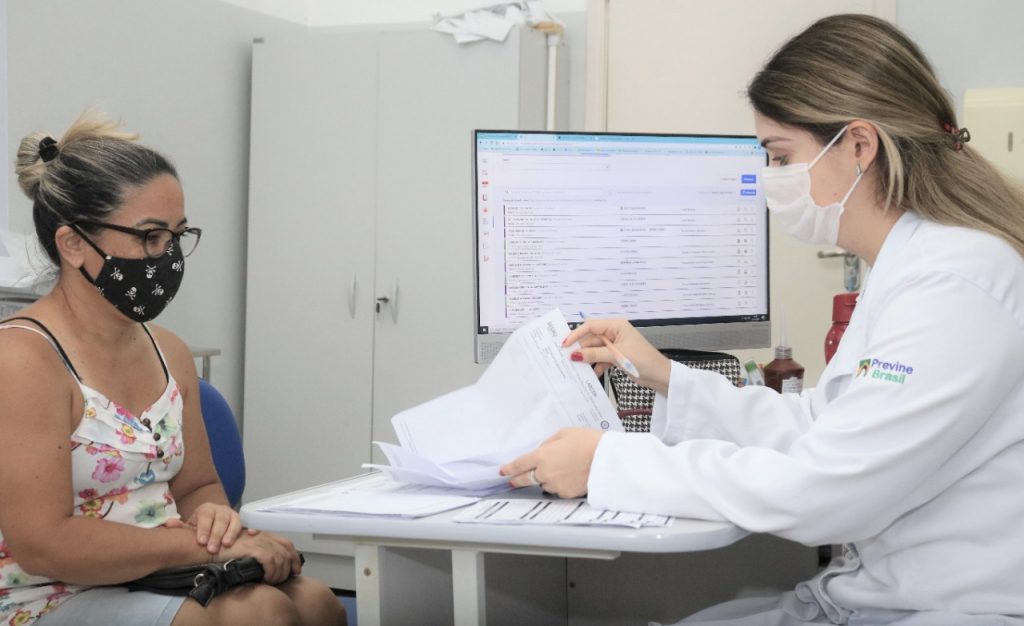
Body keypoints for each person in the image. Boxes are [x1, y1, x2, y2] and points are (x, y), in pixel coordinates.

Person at [502, 13, 1024, 626]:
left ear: (859, 146)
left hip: (945, 609)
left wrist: (608, 463)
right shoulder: (915, 263)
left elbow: (828, 488)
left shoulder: (955, 282)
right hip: (880, 598)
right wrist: (665, 374)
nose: (771, 179)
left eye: (781, 156)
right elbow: (821, 427)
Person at [0, 112, 347, 626]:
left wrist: (215, 520)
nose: (167, 256)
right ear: (73, 245)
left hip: (160, 570)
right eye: (150, 237)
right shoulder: (22, 360)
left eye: (177, 236)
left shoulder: (169, 351)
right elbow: (45, 544)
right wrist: (198, 547)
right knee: (261, 615)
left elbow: (197, 487)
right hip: (47, 591)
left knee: (317, 603)